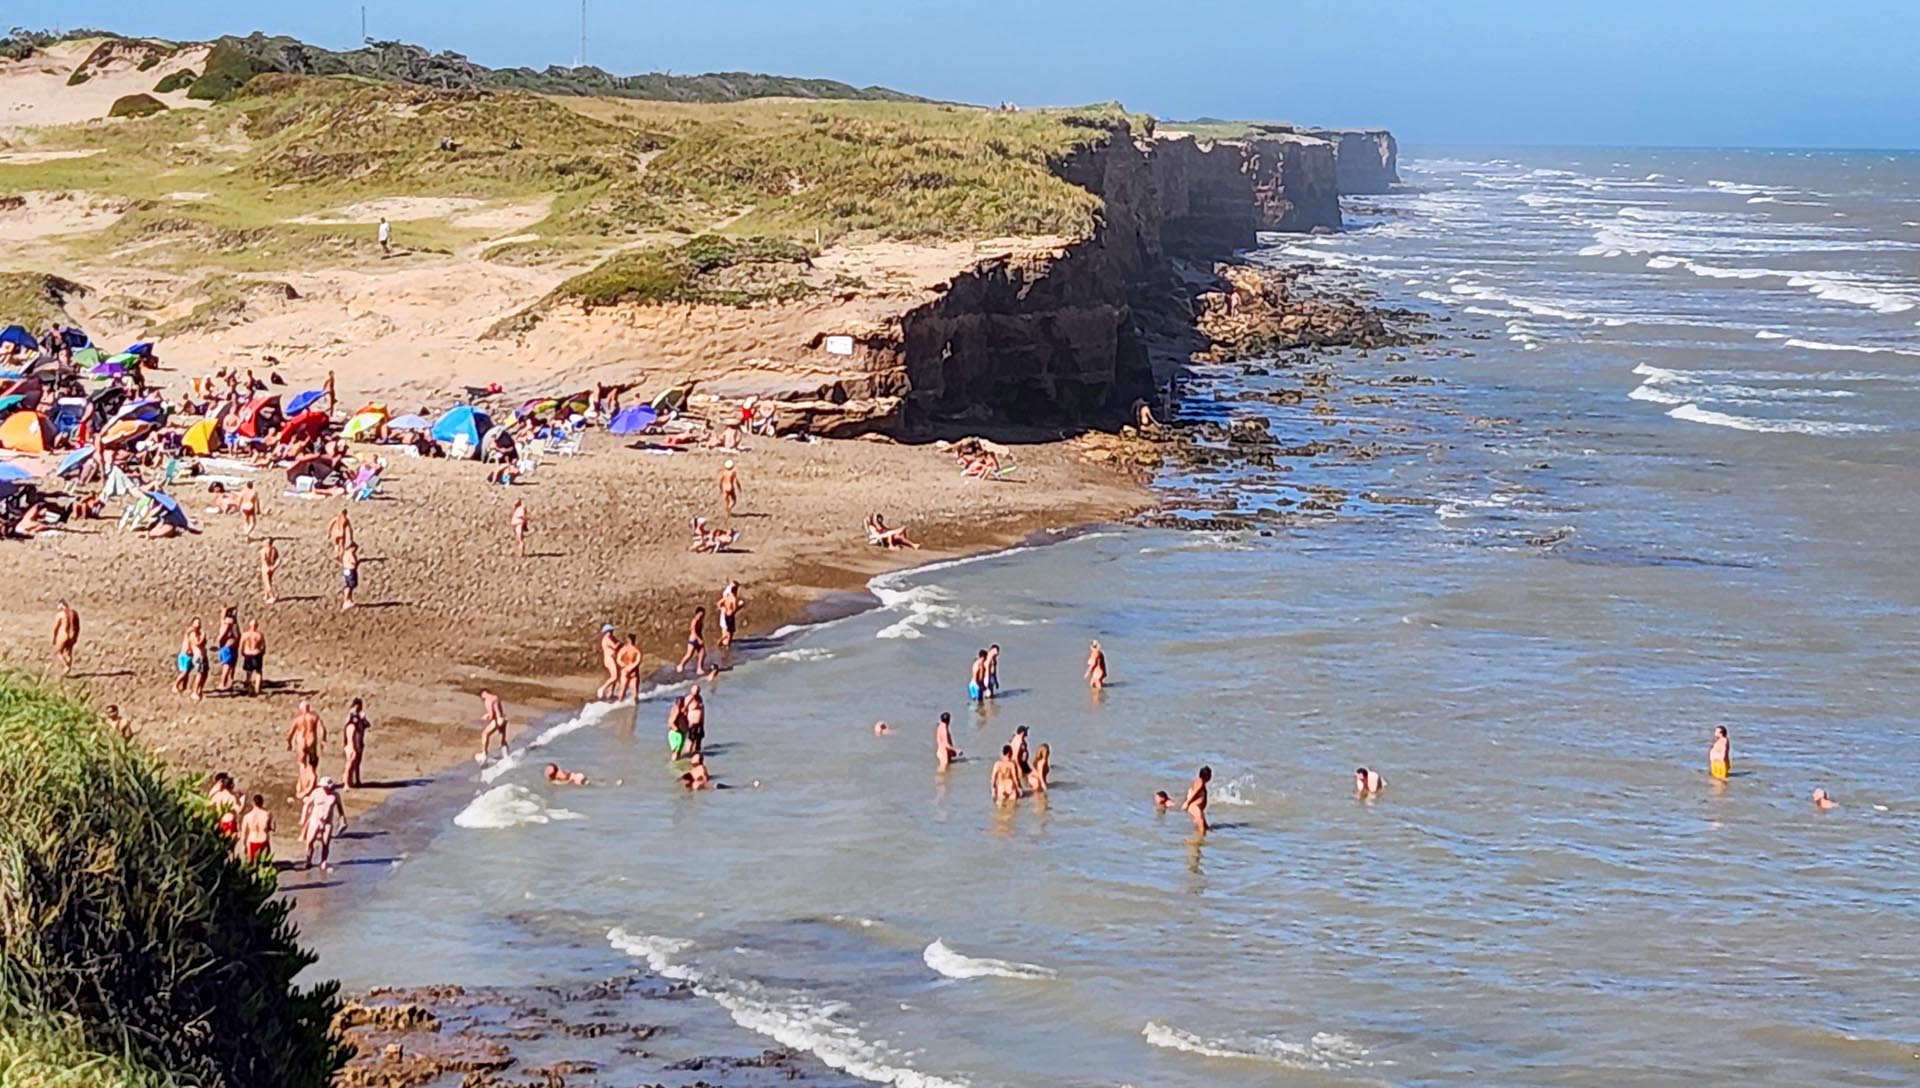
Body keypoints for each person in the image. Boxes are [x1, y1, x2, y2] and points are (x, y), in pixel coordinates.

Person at [300, 777, 347, 871]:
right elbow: (307, 804)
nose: (325, 788)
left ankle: (323, 861)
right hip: (315, 819)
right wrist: (303, 818)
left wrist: (343, 821)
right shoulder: (316, 792)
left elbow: (340, 810)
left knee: (326, 843)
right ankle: (308, 860)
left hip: (327, 822)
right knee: (310, 841)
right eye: (323, 786)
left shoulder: (335, 796)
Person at [286, 700, 324, 798]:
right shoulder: (314, 717)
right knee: (312, 763)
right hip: (311, 741)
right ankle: (312, 784)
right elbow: (322, 729)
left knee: (302, 765)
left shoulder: (297, 719)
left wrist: (289, 743)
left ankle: (303, 786)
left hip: (301, 741)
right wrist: (323, 740)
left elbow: (290, 733)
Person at [174, 617, 208, 700]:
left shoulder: (199, 633)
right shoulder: (192, 634)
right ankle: (194, 692)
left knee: (204, 674)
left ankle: (199, 690)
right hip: (198, 656)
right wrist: (203, 636)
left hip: (202, 656)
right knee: (198, 674)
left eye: (199, 623)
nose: (198, 624)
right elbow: (198, 643)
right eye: (196, 622)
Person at [342, 698, 370, 788]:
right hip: (353, 741)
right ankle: (348, 782)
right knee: (350, 762)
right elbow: (349, 725)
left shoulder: (360, 716)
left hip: (359, 740)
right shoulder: (352, 715)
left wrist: (363, 718)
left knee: (357, 762)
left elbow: (367, 724)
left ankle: (356, 780)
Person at [238, 794, 274, 865]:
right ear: (262, 803)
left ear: (253, 803)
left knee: (252, 865)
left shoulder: (247, 816)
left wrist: (243, 845)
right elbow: (272, 828)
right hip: (264, 841)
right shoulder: (267, 814)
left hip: (252, 842)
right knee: (265, 864)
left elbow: (244, 832)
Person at [477, 689, 509, 761]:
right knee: (502, 741)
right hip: (503, 719)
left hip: (497, 720)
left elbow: (491, 715)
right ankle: (506, 756)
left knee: (484, 734)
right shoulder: (495, 697)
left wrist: (486, 717)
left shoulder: (487, 700)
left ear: (482, 695)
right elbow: (498, 710)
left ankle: (484, 754)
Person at [214, 605, 241, 691]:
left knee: (229, 665)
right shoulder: (228, 623)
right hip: (228, 647)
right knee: (228, 666)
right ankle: (224, 683)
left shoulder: (230, 622)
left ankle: (227, 683)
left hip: (230, 647)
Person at [208, 772, 241, 840]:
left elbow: (211, 805)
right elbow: (237, 810)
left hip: (221, 821)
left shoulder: (217, 794)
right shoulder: (232, 796)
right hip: (230, 821)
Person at [1180, 766, 1212, 835]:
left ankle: (1201, 841)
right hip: (1195, 807)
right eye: (1210, 775)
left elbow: (1190, 791)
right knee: (1202, 828)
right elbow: (1194, 792)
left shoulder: (1198, 781)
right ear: (1207, 776)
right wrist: (1187, 803)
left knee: (1206, 827)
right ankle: (1197, 842)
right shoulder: (1200, 782)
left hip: (1198, 808)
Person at [239, 619, 266, 695]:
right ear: (257, 626)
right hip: (256, 653)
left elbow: (241, 645)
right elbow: (263, 646)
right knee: (258, 672)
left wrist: (242, 653)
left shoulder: (245, 635)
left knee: (248, 672)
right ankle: (257, 688)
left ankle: (249, 687)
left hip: (248, 653)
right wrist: (262, 652)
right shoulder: (259, 635)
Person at [676, 607, 708, 674]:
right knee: (689, 654)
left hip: (699, 638)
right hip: (693, 639)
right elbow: (693, 631)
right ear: (696, 614)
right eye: (700, 615)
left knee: (702, 653)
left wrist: (701, 639)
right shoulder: (694, 621)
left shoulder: (700, 621)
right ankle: (681, 665)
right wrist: (699, 639)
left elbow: (699, 631)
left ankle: (699, 668)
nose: (701, 617)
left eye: (702, 615)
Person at [51, 599, 79, 676]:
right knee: (69, 652)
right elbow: (77, 626)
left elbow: (56, 627)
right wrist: (75, 636)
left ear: (61, 605)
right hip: (72, 635)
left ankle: (66, 666)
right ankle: (68, 668)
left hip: (63, 634)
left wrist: (54, 637)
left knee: (58, 652)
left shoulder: (60, 614)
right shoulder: (74, 613)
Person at [596, 624, 621, 700]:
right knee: (614, 676)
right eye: (610, 631)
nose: (612, 632)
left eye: (612, 631)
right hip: (609, 659)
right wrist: (619, 644)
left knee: (614, 677)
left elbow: (617, 643)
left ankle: (610, 694)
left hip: (613, 659)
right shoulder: (607, 639)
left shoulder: (611, 638)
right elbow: (615, 646)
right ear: (606, 632)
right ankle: (602, 689)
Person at [615, 636, 643, 702]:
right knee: (627, 691)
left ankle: (621, 704)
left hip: (629, 672)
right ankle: (622, 703)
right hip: (629, 672)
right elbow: (638, 661)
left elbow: (618, 660)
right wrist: (628, 667)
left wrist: (627, 667)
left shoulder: (628, 649)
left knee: (629, 691)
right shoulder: (633, 650)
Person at [681, 684, 707, 756]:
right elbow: (684, 711)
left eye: (698, 692)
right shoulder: (688, 699)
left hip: (700, 723)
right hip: (692, 723)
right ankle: (688, 754)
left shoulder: (699, 698)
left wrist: (702, 722)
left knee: (699, 739)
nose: (696, 694)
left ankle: (697, 754)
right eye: (695, 692)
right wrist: (685, 724)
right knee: (691, 740)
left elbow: (702, 710)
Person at [717, 581, 742, 649]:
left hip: (726, 614)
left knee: (728, 630)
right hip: (730, 616)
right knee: (730, 631)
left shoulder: (727, 597)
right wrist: (739, 607)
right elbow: (734, 609)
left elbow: (719, 603)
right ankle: (726, 644)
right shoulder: (733, 599)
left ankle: (723, 641)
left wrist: (722, 608)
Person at [258, 537, 280, 603]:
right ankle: (266, 595)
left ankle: (272, 597)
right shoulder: (274, 549)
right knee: (269, 581)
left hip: (265, 568)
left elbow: (263, 559)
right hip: (271, 567)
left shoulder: (263, 550)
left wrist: (265, 566)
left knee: (267, 583)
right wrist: (274, 567)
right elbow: (278, 559)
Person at [340, 540, 360, 610]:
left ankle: (349, 600)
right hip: (350, 570)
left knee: (350, 585)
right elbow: (353, 562)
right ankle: (346, 601)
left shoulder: (345, 553)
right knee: (350, 585)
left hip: (346, 570)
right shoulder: (349, 553)